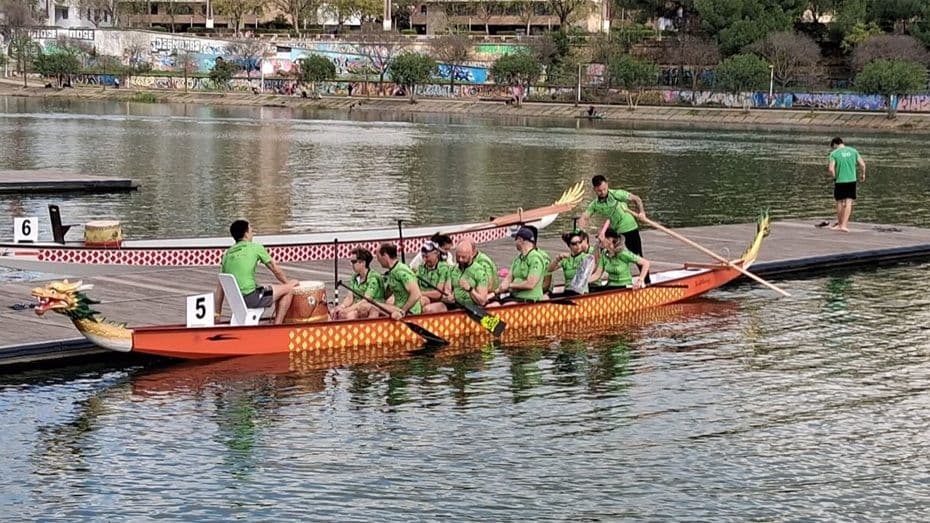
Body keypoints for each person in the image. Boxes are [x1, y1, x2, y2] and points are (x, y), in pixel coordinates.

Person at [214, 219, 298, 324]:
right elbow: (275, 269)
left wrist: (217, 314)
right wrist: (288, 284)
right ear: (246, 234)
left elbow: (220, 288)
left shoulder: (227, 254)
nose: (252, 234)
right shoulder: (255, 248)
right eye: (251, 231)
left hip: (236, 302)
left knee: (272, 288)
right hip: (251, 298)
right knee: (288, 289)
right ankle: (277, 326)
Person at [578, 174, 651, 284]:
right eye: (599, 191)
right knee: (607, 253)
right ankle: (598, 280)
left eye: (604, 189)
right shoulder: (595, 204)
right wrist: (582, 231)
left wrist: (642, 212)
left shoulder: (617, 194)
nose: (602, 192)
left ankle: (647, 282)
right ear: (594, 190)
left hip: (630, 228)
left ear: (607, 185)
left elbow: (637, 199)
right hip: (616, 233)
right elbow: (584, 217)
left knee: (637, 256)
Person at [491, 226, 549, 304]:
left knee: (505, 306)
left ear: (520, 240)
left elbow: (530, 284)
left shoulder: (536, 259)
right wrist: (494, 293)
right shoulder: (517, 259)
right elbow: (508, 278)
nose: (515, 243)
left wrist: (510, 285)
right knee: (493, 303)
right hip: (515, 297)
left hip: (529, 300)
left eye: (515, 240)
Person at [826, 137, 866, 233]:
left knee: (839, 202)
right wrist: (863, 174)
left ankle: (839, 225)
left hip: (840, 181)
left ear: (835, 144)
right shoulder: (853, 151)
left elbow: (831, 169)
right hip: (852, 180)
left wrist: (834, 177)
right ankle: (844, 225)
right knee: (848, 202)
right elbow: (863, 164)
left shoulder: (834, 154)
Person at [332, 247, 385, 320]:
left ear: (363, 263)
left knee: (350, 315)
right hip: (357, 306)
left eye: (354, 262)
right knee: (334, 312)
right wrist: (342, 307)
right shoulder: (354, 277)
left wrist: (347, 310)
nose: (352, 264)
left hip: (370, 308)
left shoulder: (373, 278)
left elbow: (366, 300)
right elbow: (349, 298)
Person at [376, 242, 423, 319]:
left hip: (409, 311)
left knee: (374, 306)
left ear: (385, 256)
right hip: (397, 307)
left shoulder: (401, 271)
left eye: (378, 256)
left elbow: (416, 294)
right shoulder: (392, 271)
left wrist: (402, 311)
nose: (377, 260)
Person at [445, 241, 492, 309]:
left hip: (473, 308)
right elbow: (447, 289)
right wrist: (448, 295)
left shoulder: (479, 272)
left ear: (472, 255)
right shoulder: (452, 270)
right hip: (455, 305)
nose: (460, 260)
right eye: (458, 257)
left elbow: (482, 301)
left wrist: (470, 289)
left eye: (464, 257)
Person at [416, 241, 451, 311]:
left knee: (425, 307)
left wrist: (419, 293)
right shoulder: (421, 268)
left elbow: (438, 293)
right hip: (424, 298)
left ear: (436, 254)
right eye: (423, 257)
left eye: (427, 257)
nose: (425, 259)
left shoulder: (443, 268)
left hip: (440, 302)